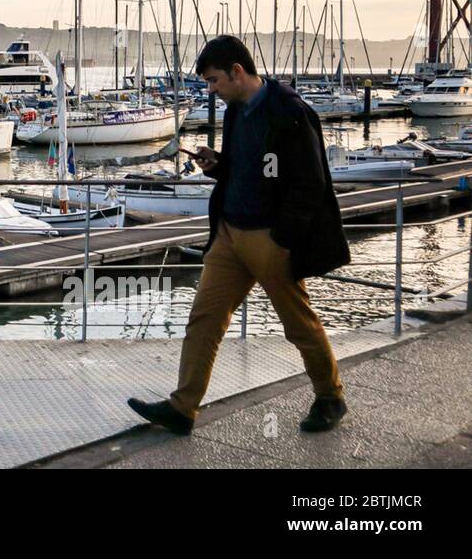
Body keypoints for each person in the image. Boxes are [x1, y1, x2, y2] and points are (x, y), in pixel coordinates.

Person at [128, 35, 351, 435]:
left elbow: (311, 184)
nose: (211, 90)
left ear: (237, 71)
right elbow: (246, 168)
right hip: (229, 234)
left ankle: (330, 397)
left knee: (298, 324)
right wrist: (217, 164)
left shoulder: (290, 113)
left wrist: (283, 239)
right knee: (204, 320)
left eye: (214, 81)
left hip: (270, 238)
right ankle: (183, 408)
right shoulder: (235, 111)